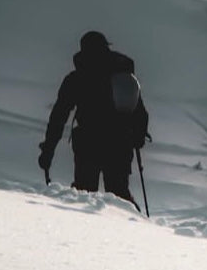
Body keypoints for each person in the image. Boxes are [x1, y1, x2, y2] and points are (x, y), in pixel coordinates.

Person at [38, 30, 149, 205]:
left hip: (88, 144)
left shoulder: (77, 78)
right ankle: (132, 227)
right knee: (119, 196)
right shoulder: (122, 76)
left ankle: (85, 230)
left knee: (84, 196)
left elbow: (59, 115)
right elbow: (139, 112)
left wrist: (48, 149)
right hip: (120, 143)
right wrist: (137, 137)